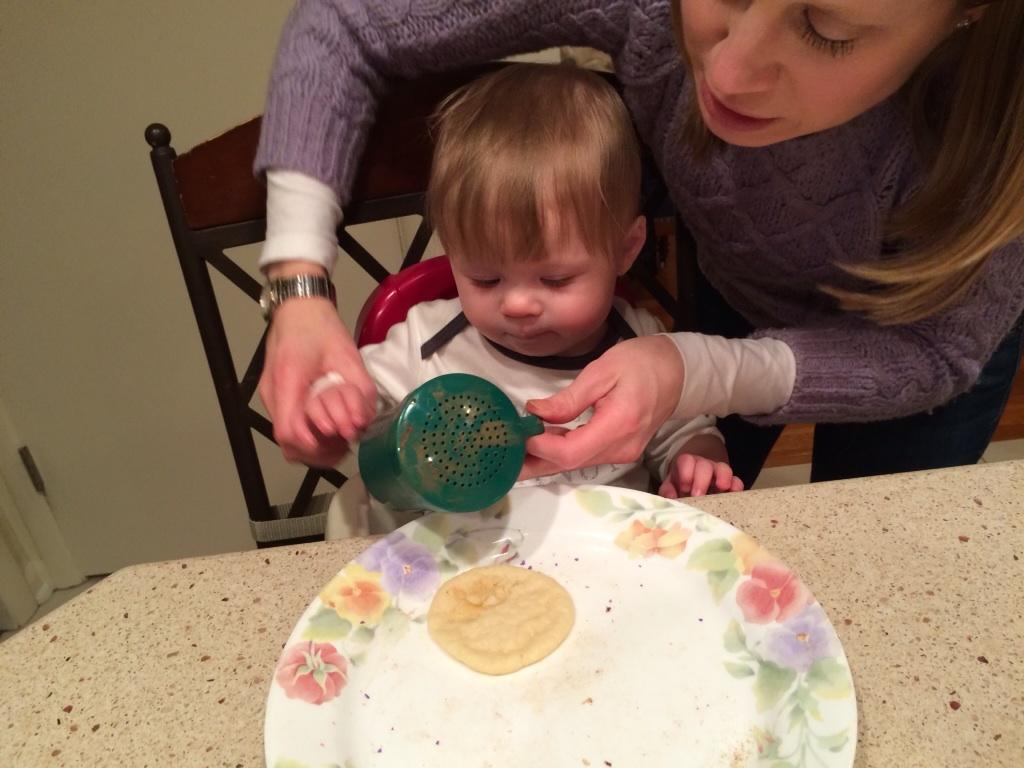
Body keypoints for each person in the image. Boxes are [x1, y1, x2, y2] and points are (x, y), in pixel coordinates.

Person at [254, 0, 1024, 489]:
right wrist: (296, 286)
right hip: (728, 301)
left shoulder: (992, 127)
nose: (725, 70)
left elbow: (934, 356)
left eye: (829, 29)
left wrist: (699, 370)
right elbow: (346, 20)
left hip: (916, 355)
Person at [308, 63, 743, 499]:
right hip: (461, 559)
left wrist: (698, 460)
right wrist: (332, 402)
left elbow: (686, 434)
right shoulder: (424, 342)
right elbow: (353, 395)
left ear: (626, 249)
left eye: (554, 279)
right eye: (485, 278)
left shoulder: (640, 348)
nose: (516, 304)